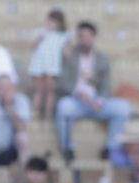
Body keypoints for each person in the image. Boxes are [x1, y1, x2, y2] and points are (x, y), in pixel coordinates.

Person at [54, 21, 130, 163]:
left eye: (88, 36)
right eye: (82, 36)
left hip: (96, 101)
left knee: (123, 108)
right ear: (78, 38)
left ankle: (111, 148)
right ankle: (67, 148)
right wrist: (78, 93)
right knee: (63, 107)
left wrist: (100, 101)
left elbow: (106, 86)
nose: (85, 40)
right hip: (77, 100)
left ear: (94, 38)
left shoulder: (102, 59)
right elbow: (62, 83)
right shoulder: (69, 56)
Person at [28, 9, 69, 120]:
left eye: (55, 21)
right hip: (39, 64)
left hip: (52, 66)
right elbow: (32, 46)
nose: (52, 23)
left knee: (50, 91)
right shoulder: (40, 32)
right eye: (51, 20)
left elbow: (66, 52)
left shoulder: (62, 36)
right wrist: (41, 36)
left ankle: (48, 112)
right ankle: (36, 112)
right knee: (38, 90)